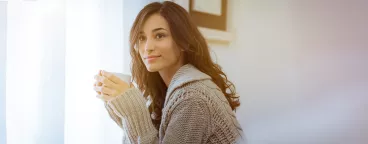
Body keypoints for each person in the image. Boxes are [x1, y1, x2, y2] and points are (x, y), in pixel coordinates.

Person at [93, 1, 243, 143]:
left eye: (159, 35)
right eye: (141, 38)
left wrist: (133, 111)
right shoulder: (164, 92)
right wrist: (118, 105)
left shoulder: (193, 97)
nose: (147, 47)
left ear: (183, 41)